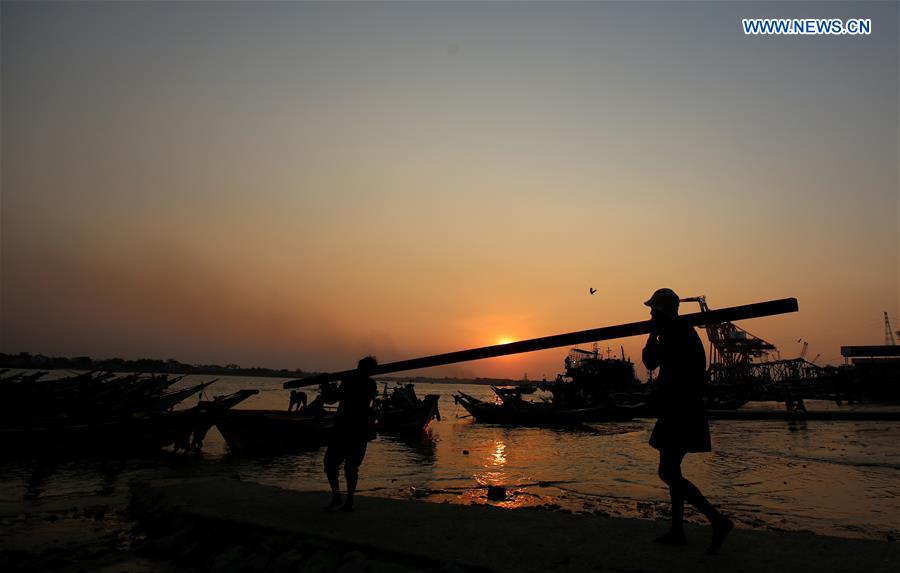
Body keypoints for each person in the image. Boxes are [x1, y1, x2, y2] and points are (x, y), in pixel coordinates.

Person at [642, 288, 733, 554]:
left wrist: (652, 335)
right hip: (681, 408)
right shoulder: (679, 333)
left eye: (652, 310)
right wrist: (654, 334)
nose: (649, 314)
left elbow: (649, 362)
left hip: (680, 410)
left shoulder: (675, 334)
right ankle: (678, 530)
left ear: (661, 311)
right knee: (673, 471)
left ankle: (717, 520)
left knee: (667, 472)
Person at [323, 356, 378, 512]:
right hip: (352, 429)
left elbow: (329, 399)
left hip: (351, 429)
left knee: (341, 466)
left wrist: (325, 383)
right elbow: (332, 399)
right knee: (339, 466)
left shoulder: (356, 382)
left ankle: (345, 499)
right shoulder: (368, 384)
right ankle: (343, 499)